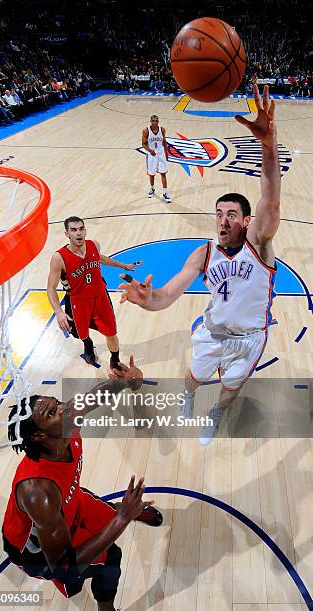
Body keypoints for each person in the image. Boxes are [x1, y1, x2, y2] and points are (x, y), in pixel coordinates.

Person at [120, 85, 280, 445]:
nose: (222, 221)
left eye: (231, 215)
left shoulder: (260, 244)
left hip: (250, 339)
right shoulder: (203, 254)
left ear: (247, 220)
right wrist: (148, 299)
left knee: (230, 388)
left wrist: (268, 145)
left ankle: (217, 413)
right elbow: (166, 295)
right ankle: (189, 397)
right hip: (212, 332)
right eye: (218, 214)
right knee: (194, 377)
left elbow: (270, 198)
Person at [2, 357, 162, 611]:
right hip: (36, 549)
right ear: (39, 435)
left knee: (104, 510)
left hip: (69, 501)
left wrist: (126, 381)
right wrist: (121, 519)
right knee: (111, 558)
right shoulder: (38, 493)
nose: (65, 409)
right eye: (53, 412)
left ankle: (126, 510)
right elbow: (64, 567)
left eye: (58, 404)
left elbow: (93, 397)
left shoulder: (66, 423)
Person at [47, 216, 142, 368]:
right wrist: (58, 311)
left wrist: (123, 265)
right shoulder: (59, 258)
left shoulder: (94, 245)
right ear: (67, 234)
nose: (78, 233)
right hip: (78, 301)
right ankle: (88, 343)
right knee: (79, 333)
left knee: (111, 332)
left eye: (81, 229)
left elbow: (101, 258)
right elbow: (51, 288)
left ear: (85, 230)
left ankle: (115, 360)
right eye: (73, 230)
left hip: (101, 298)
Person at [142, 115, 171, 204]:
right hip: (151, 154)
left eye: (156, 121)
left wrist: (166, 153)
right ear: (150, 121)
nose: (154, 122)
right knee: (152, 174)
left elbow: (164, 142)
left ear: (158, 121)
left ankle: (165, 192)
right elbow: (143, 144)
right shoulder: (146, 130)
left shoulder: (162, 130)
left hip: (161, 153)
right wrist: (150, 151)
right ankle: (152, 189)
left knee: (163, 173)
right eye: (153, 121)